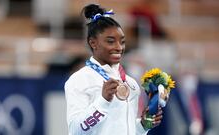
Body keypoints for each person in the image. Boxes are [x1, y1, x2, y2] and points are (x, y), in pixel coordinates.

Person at [64, 4, 163, 135]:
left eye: (122, 42)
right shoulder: (79, 80)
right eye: (111, 41)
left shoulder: (131, 84)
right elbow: (75, 131)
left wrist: (143, 126)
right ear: (93, 42)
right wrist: (103, 101)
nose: (119, 47)